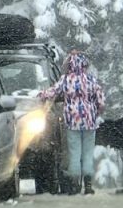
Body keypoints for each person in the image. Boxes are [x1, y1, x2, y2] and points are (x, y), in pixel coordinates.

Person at [38, 51, 105, 195]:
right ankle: (87, 185)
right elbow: (100, 101)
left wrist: (40, 95)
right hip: (89, 123)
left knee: (74, 153)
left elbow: (52, 92)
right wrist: (95, 113)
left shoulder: (66, 79)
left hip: (72, 122)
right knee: (87, 153)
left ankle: (74, 185)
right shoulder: (91, 80)